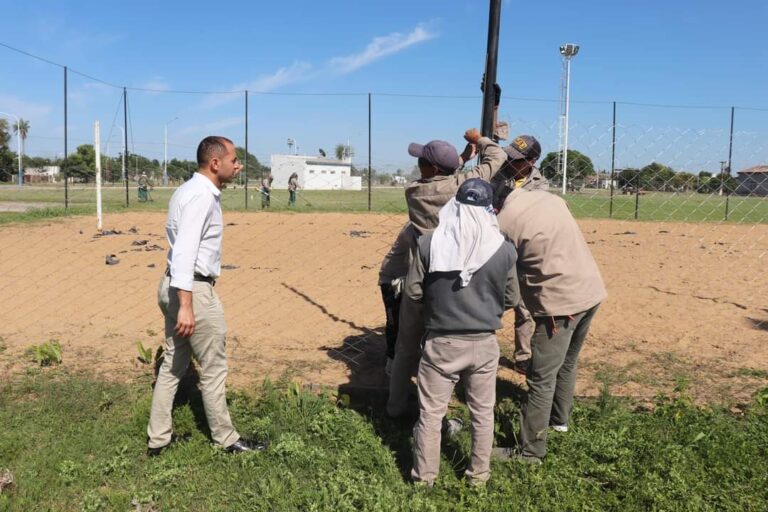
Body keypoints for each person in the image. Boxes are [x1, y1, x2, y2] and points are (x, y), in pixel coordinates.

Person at [147, 136, 265, 456]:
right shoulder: (201, 196)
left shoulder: (189, 189)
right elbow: (185, 251)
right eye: (234, 160)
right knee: (213, 367)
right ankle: (226, 439)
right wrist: (187, 305)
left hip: (172, 283)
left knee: (173, 365)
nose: (238, 165)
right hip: (192, 289)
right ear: (215, 164)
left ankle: (158, 439)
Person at [405, 178, 520, 486]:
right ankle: (478, 477)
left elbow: (414, 292)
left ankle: (424, 479)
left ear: (453, 205)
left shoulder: (430, 243)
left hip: (441, 342)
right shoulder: (504, 249)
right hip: (484, 343)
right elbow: (512, 299)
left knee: (430, 414)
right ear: (489, 210)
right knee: (483, 412)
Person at [386, 129, 507, 418]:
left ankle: (396, 407)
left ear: (433, 169)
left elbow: (444, 181)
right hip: (455, 276)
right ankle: (453, 402)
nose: (418, 165)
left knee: (406, 345)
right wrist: (480, 139)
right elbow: (498, 157)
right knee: (451, 339)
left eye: (422, 161)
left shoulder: (414, 191)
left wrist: (461, 160)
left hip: (421, 271)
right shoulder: (463, 184)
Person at [496, 188, 607, 464]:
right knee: (568, 362)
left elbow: (504, 278)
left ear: (495, 206)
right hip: (590, 292)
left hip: (559, 307)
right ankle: (560, 421)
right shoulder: (550, 198)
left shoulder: (503, 222)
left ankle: (531, 451)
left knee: (541, 378)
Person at [491, 135, 548, 375]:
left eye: (517, 160)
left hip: (522, 252)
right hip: (494, 247)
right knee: (490, 301)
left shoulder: (540, 185)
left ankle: (522, 356)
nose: (510, 162)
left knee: (524, 308)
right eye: (510, 157)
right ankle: (485, 352)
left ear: (532, 161)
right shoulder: (497, 176)